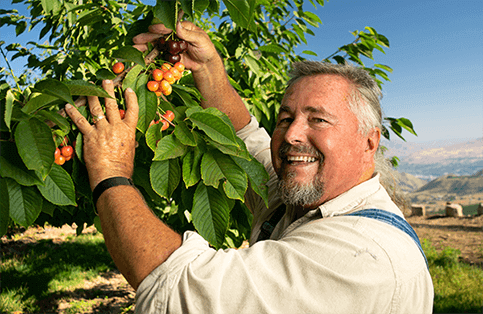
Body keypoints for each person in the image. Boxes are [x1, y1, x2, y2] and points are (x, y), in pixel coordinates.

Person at [65, 20, 434, 313]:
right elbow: (245, 138)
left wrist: (110, 169)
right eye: (285, 118)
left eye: (317, 120)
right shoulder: (306, 196)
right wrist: (207, 68)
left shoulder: (363, 258)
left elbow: (181, 291)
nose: (291, 135)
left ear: (370, 141)